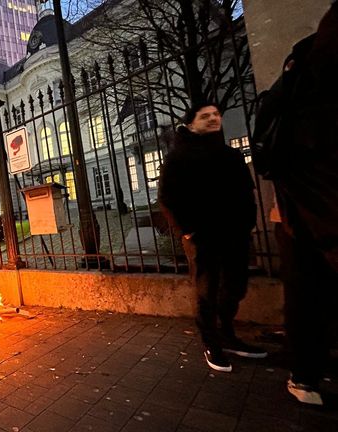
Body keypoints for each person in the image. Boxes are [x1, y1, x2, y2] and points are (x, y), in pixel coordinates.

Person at [259, 2, 338, 406]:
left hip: (304, 211)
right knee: (307, 294)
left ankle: (307, 369)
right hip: (304, 213)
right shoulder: (312, 81)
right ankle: (304, 372)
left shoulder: (308, 70)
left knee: (308, 295)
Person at [158, 103, 265, 373]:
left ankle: (227, 332)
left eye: (216, 115)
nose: (213, 119)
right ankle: (211, 341)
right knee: (207, 290)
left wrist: (248, 221)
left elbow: (245, 190)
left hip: (235, 232)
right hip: (203, 235)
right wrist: (187, 230)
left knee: (235, 284)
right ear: (191, 123)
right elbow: (168, 198)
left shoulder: (230, 155)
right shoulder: (178, 156)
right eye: (205, 116)